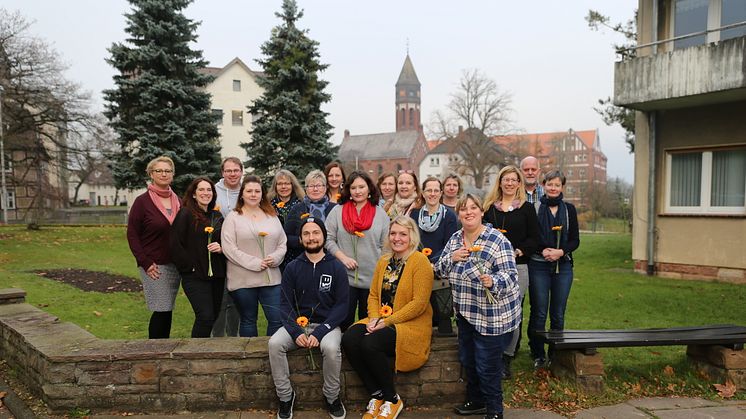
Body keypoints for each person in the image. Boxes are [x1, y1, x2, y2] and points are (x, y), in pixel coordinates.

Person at [435, 193, 521, 419]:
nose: (468, 212)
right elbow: (439, 270)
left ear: (482, 212)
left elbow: (511, 276)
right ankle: (476, 401)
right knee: (469, 360)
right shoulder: (455, 240)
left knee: (487, 365)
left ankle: (495, 410)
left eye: (473, 208)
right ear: (459, 214)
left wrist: (493, 281)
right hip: (465, 312)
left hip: (493, 316)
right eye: (464, 209)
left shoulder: (497, 240)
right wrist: (452, 258)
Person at [342, 216, 433, 419]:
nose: (397, 238)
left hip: (409, 324)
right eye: (393, 233)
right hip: (381, 320)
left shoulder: (420, 261)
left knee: (369, 344)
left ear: (411, 236)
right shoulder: (384, 261)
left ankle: (392, 399)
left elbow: (418, 304)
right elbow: (374, 295)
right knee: (349, 339)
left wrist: (386, 322)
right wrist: (374, 318)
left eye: (402, 234)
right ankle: (377, 394)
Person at [269, 217, 349, 419]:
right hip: (298, 326)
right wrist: (296, 331)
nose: (311, 237)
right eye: (306, 233)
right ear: (301, 238)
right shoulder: (293, 267)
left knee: (331, 348)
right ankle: (286, 397)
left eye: (316, 233)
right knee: (274, 343)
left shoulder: (336, 267)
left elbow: (342, 306)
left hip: (327, 325)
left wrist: (322, 331)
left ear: (323, 236)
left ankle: (332, 396)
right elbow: (285, 304)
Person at [482, 166, 539, 378]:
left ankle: (506, 358)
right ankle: (491, 354)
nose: (509, 183)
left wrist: (517, 251)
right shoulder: (489, 208)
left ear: (518, 183)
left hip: (518, 266)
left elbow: (535, 238)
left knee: (513, 313)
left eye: (513, 180)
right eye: (505, 179)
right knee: (491, 310)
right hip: (491, 268)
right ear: (500, 182)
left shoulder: (527, 208)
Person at [222, 175, 287, 337]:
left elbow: (282, 242)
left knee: (276, 319)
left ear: (262, 194)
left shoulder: (271, 215)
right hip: (243, 280)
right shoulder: (233, 217)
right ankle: (250, 359)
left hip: (271, 278)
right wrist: (254, 263)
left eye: (257, 191)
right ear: (242, 194)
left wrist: (276, 258)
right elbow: (229, 248)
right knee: (248, 320)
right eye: (249, 191)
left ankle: (272, 354)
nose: (253, 194)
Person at [527, 171, 580, 370]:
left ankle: (556, 353)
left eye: (557, 185)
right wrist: (544, 251)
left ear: (562, 187)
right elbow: (532, 236)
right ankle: (538, 353)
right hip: (538, 265)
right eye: (550, 184)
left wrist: (560, 251)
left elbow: (575, 240)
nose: (553, 188)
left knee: (558, 313)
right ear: (544, 185)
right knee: (539, 312)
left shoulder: (569, 210)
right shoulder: (534, 207)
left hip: (563, 266)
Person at [325, 171, 389, 331]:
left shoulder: (381, 214)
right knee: (343, 321)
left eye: (362, 187)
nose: (358, 191)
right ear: (348, 190)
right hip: (345, 278)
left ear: (369, 189)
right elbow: (328, 239)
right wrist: (343, 258)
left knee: (367, 324)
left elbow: (386, 246)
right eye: (353, 187)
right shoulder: (337, 212)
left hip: (372, 279)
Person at [126, 156, 182, 339]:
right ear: (151, 174)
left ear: (172, 175)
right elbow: (132, 234)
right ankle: (156, 349)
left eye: (168, 171)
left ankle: (163, 348)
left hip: (176, 264)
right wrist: (145, 262)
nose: (164, 174)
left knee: (167, 309)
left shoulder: (179, 201)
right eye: (159, 171)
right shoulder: (142, 202)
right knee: (161, 308)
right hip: (154, 265)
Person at [170, 177, 227, 338]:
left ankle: (203, 350)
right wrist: (189, 267)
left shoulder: (217, 216)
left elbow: (226, 240)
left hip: (216, 275)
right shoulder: (186, 214)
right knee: (205, 317)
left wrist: (221, 248)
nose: (205, 193)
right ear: (194, 194)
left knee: (214, 315)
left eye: (209, 190)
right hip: (194, 276)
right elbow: (175, 244)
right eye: (201, 190)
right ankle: (194, 353)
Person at [409, 177, 458, 336]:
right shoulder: (415, 215)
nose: (432, 194)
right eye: (429, 190)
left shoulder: (449, 216)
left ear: (441, 193)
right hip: (417, 265)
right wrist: (422, 262)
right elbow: (412, 242)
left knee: (441, 309)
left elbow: (449, 244)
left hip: (440, 267)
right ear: (423, 193)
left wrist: (434, 263)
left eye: (436, 190)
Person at [212, 157, 244, 337]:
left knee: (236, 295)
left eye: (236, 170)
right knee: (219, 296)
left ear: (241, 171)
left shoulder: (246, 191)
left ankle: (234, 336)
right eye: (228, 171)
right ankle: (216, 337)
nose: (232, 174)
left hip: (240, 250)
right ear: (222, 172)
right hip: (218, 250)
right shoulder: (214, 191)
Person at [284, 170, 337, 267]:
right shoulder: (297, 209)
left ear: (325, 188)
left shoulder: (335, 209)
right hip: (303, 261)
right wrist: (302, 240)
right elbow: (286, 237)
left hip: (330, 260)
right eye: (311, 186)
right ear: (306, 189)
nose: (315, 189)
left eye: (319, 185)